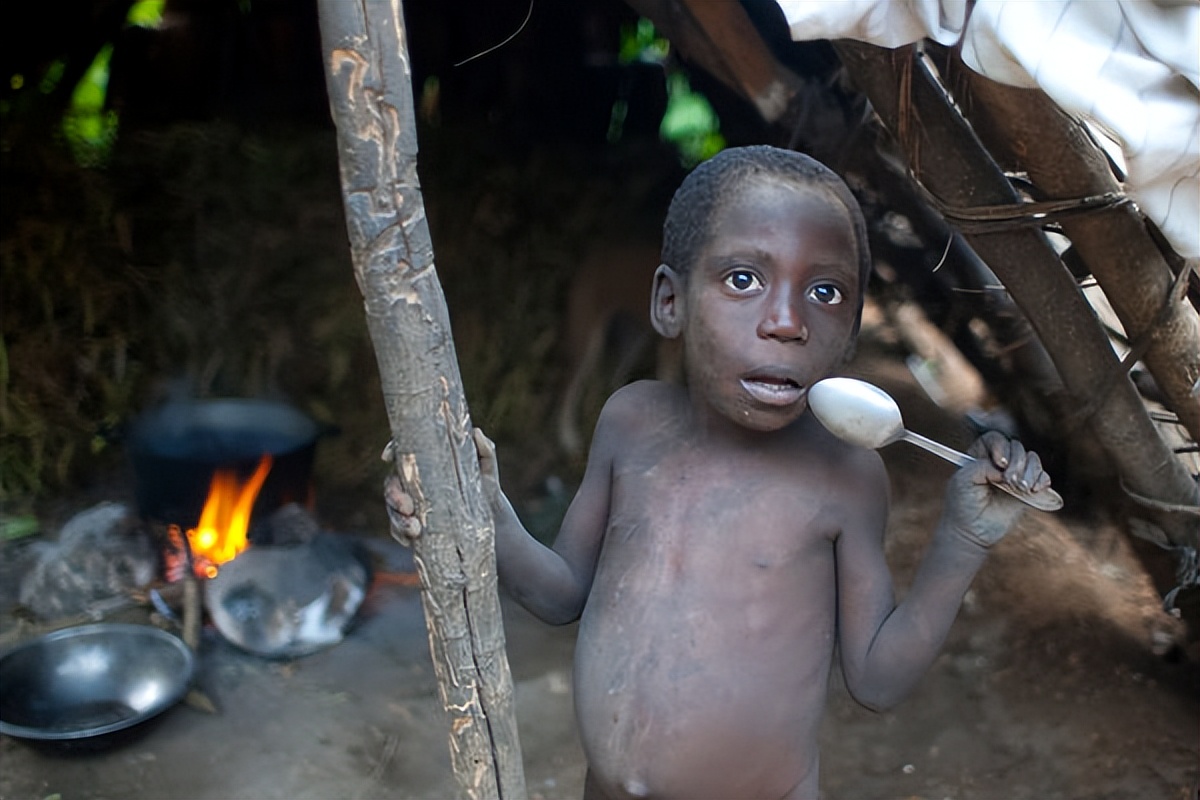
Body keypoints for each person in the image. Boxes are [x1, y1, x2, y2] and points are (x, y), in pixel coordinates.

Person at [386, 145, 1055, 800]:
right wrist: (483, 511)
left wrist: (961, 542)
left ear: (850, 333)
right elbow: (560, 594)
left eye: (824, 292)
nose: (787, 322)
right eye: (744, 279)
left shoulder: (844, 477)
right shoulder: (631, 422)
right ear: (670, 303)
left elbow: (876, 681)